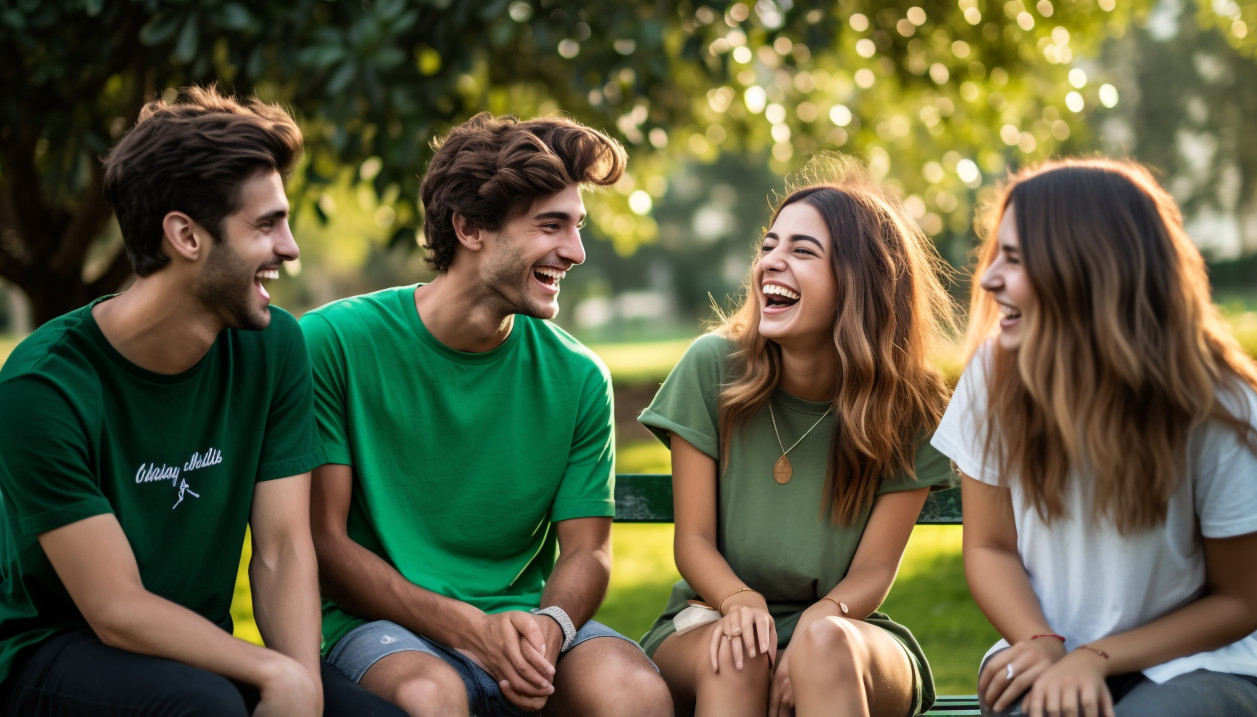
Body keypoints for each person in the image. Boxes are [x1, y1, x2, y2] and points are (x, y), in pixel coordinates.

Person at [0, 86, 405, 715]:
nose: (291, 248)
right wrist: (269, 671)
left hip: (196, 651)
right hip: (53, 649)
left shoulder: (274, 348)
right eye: (267, 224)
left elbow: (283, 548)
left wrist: (298, 681)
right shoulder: (43, 386)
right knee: (204, 706)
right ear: (186, 236)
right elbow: (114, 608)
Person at [301, 112, 673, 717]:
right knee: (429, 696)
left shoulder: (578, 377)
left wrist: (550, 626)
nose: (576, 252)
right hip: (382, 624)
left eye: (578, 227)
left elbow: (589, 551)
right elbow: (326, 542)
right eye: (552, 226)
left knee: (632, 692)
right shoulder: (332, 344)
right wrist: (467, 629)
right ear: (470, 228)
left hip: (527, 627)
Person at [931, 158, 1257, 717]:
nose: (989, 277)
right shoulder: (995, 372)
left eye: (1014, 260)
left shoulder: (1218, 404)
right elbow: (990, 547)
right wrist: (1044, 644)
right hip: (1045, 652)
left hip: (1197, 669)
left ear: (1087, 267)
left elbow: (1239, 600)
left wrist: (1095, 657)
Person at [637, 157, 956, 717]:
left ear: (860, 283)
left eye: (802, 251)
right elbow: (693, 542)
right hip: (713, 616)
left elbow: (874, 571)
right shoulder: (712, 367)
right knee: (738, 652)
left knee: (823, 647)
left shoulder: (910, 404)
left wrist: (815, 626)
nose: (770, 265)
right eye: (768, 247)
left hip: (846, 627)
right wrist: (739, 602)